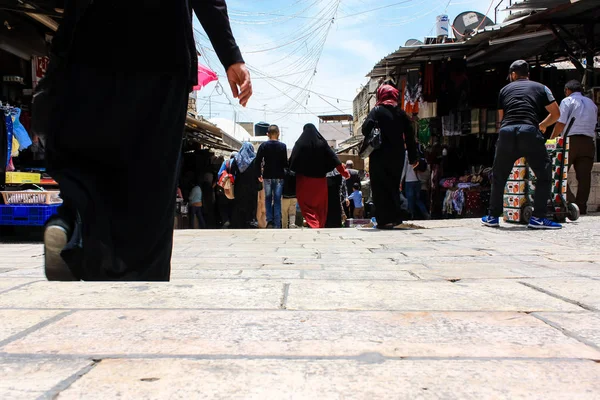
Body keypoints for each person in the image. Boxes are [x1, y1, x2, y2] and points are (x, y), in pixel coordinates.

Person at [43, 0, 252, 281]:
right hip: (161, 49)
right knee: (150, 179)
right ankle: (135, 289)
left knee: (96, 163)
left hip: (91, 44)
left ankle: (73, 228)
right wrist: (230, 55)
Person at [482, 60, 561, 229]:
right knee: (544, 174)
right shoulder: (541, 88)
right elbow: (556, 113)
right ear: (528, 74)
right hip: (529, 132)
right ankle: (538, 218)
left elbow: (500, 119)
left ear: (513, 75)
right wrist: (544, 125)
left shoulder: (504, 90)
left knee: (499, 175)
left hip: (507, 132)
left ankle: (492, 216)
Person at [361, 84, 418, 229]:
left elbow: (365, 129)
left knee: (379, 187)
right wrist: (413, 158)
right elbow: (410, 136)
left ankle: (384, 220)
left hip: (379, 155)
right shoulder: (401, 113)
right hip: (397, 156)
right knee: (393, 186)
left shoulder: (377, 111)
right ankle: (396, 218)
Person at [551, 80, 598, 215]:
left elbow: (561, 122)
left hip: (570, 141)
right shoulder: (592, 104)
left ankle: (571, 204)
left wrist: (552, 138)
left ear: (567, 90)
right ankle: (581, 207)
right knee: (584, 177)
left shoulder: (567, 101)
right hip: (588, 142)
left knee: (559, 174)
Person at [290, 124, 350, 228]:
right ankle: (319, 225)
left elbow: (291, 162)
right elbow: (334, 159)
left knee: (306, 206)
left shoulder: (300, 144)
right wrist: (344, 173)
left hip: (304, 182)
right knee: (320, 206)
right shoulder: (322, 143)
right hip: (320, 182)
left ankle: (314, 224)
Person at [255, 125, 288, 228]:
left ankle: (269, 221)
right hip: (279, 176)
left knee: (268, 198)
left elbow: (258, 161)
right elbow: (285, 163)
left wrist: (258, 174)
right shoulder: (283, 146)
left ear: (267, 134)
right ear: (278, 133)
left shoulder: (263, 146)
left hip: (267, 176)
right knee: (277, 199)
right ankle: (277, 223)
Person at [231, 142, 260, 229]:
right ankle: (250, 222)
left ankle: (240, 224)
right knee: (251, 205)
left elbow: (232, 172)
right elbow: (258, 173)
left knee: (239, 205)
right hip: (252, 187)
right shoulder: (254, 160)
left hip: (239, 187)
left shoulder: (237, 159)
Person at [402, 150, 431, 220]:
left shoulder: (406, 153)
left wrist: (400, 180)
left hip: (409, 180)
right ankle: (426, 214)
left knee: (410, 200)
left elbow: (404, 168)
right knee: (417, 200)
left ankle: (411, 215)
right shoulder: (419, 152)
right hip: (418, 180)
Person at [217, 153, 236, 228]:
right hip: (235, 188)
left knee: (223, 205)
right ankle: (233, 222)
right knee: (233, 205)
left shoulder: (226, 163)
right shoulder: (239, 162)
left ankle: (226, 220)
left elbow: (219, 174)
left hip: (225, 188)